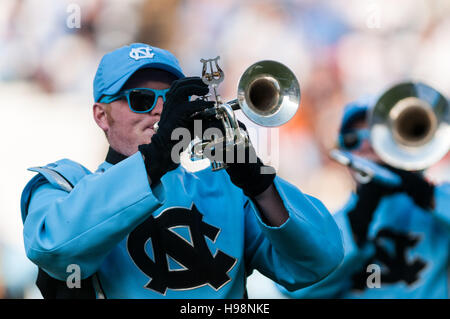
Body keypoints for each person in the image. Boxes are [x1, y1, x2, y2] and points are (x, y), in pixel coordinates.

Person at [20, 43, 344, 299]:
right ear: (101, 116)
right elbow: (54, 248)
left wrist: (259, 184)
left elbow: (319, 262)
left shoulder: (225, 187)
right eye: (142, 99)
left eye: (172, 98)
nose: (161, 109)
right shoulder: (64, 184)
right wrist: (157, 156)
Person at [279, 98, 450, 299]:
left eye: (377, 136)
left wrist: (425, 193)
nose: (367, 146)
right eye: (353, 139)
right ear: (343, 153)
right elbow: (294, 287)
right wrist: (358, 222)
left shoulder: (434, 207)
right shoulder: (331, 225)